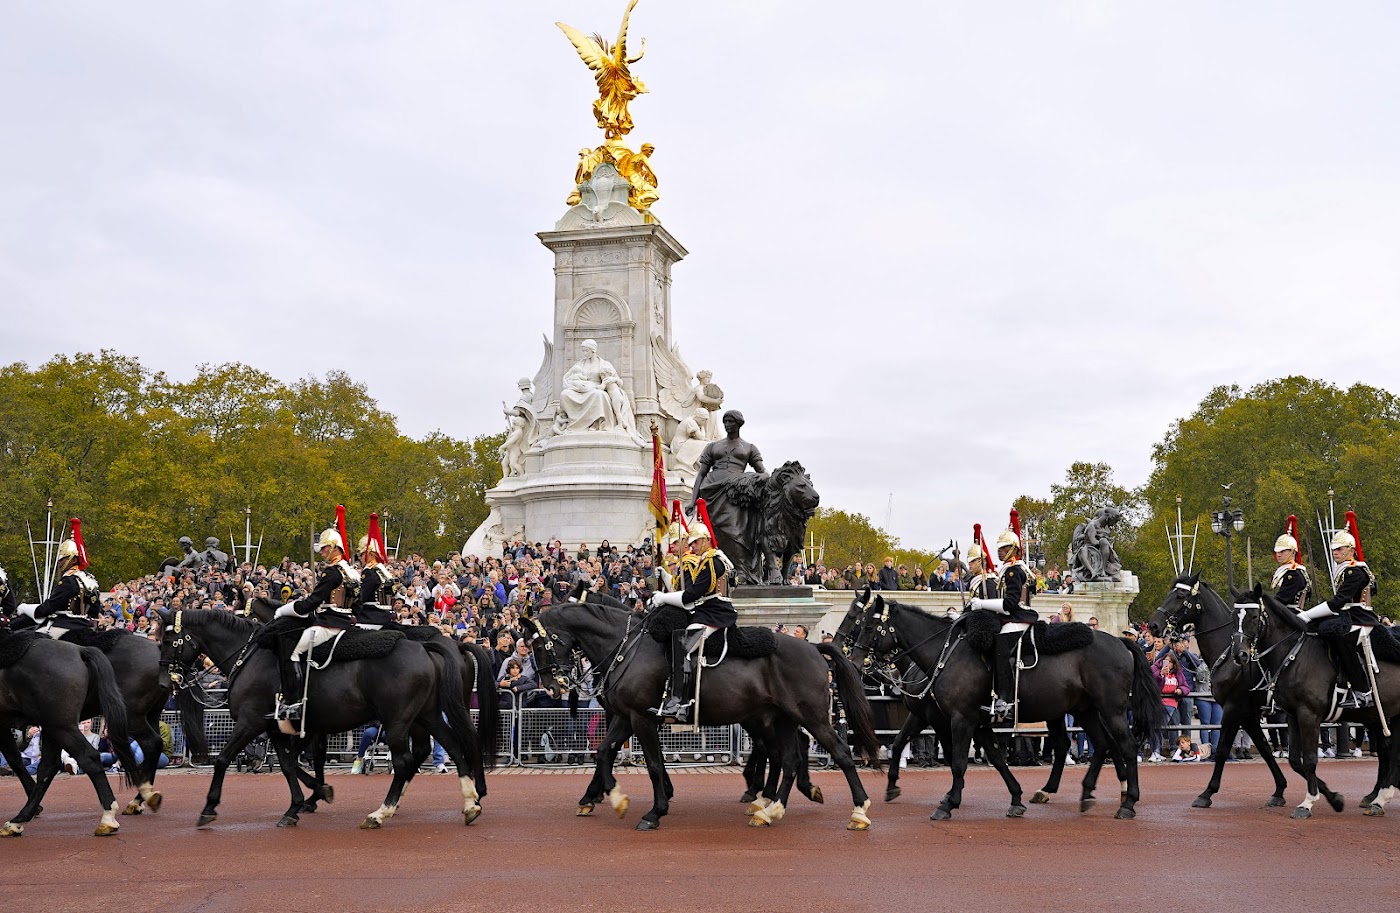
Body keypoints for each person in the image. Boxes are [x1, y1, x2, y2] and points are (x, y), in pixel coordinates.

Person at [271, 525, 362, 732]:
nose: (321, 553)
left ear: (333, 548)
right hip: (347, 623)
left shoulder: (332, 572)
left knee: (294, 653)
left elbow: (312, 603)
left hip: (329, 624)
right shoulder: (351, 573)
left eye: (323, 549)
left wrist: (286, 609)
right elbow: (358, 602)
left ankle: (294, 702)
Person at [648, 526, 737, 723]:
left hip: (715, 613)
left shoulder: (712, 562)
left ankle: (680, 701)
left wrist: (663, 598)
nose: (692, 546)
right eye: (690, 543)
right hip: (707, 611)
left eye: (695, 542)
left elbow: (692, 595)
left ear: (706, 540)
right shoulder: (710, 560)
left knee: (682, 644)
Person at [1297, 516, 1379, 708]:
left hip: (1359, 618)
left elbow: (1338, 602)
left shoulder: (1355, 571)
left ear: (1351, 550)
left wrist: (1307, 614)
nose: (1335, 552)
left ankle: (1363, 691)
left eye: (1339, 549)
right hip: (1347, 616)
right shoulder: (1345, 570)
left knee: (1342, 640)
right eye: (1333, 549)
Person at [968, 515, 1038, 720]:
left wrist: (981, 604)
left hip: (1017, 616)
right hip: (1012, 615)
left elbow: (1009, 603)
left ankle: (1005, 699)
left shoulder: (1013, 571)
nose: (1000, 551)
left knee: (1000, 647)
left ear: (1014, 549)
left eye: (1004, 548)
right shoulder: (1012, 569)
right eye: (999, 548)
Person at [17, 518, 102, 639]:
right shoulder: (90, 579)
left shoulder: (69, 580)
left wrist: (26, 609)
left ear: (73, 559)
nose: (60, 563)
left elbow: (50, 607)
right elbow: (95, 608)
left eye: (63, 559)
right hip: (86, 625)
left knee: (33, 641)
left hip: (65, 625)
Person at [355, 514, 395, 629]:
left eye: (362, 554)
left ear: (371, 553)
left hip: (370, 618)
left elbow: (361, 598)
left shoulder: (369, 572)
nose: (360, 558)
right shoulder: (384, 572)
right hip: (386, 616)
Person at [1270, 516, 1310, 608]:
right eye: (1277, 551)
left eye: (1282, 551)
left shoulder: (1294, 573)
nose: (1278, 555)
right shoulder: (1284, 571)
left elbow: (1282, 599)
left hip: (1290, 615)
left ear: (1293, 552)